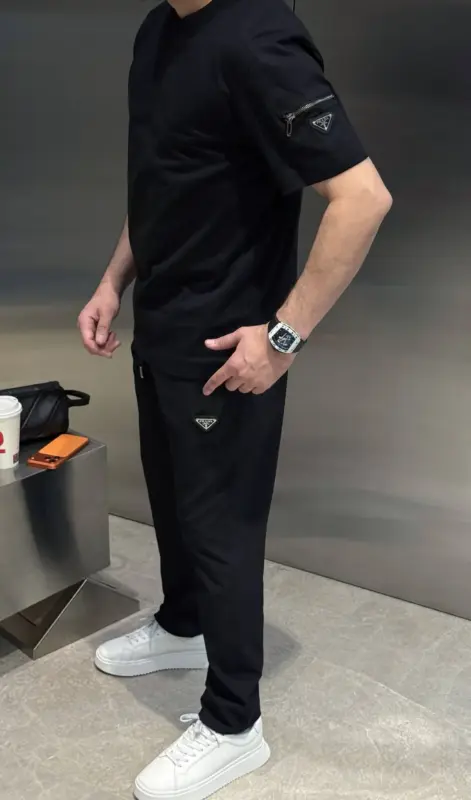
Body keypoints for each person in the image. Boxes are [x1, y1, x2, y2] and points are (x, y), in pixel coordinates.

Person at [77, 0, 392, 797]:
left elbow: (361, 198)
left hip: (226, 350)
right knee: (174, 503)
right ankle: (182, 626)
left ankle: (232, 723)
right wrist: (114, 282)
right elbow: (162, 177)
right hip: (162, 327)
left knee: (220, 530)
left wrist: (282, 337)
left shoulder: (258, 38)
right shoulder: (158, 29)